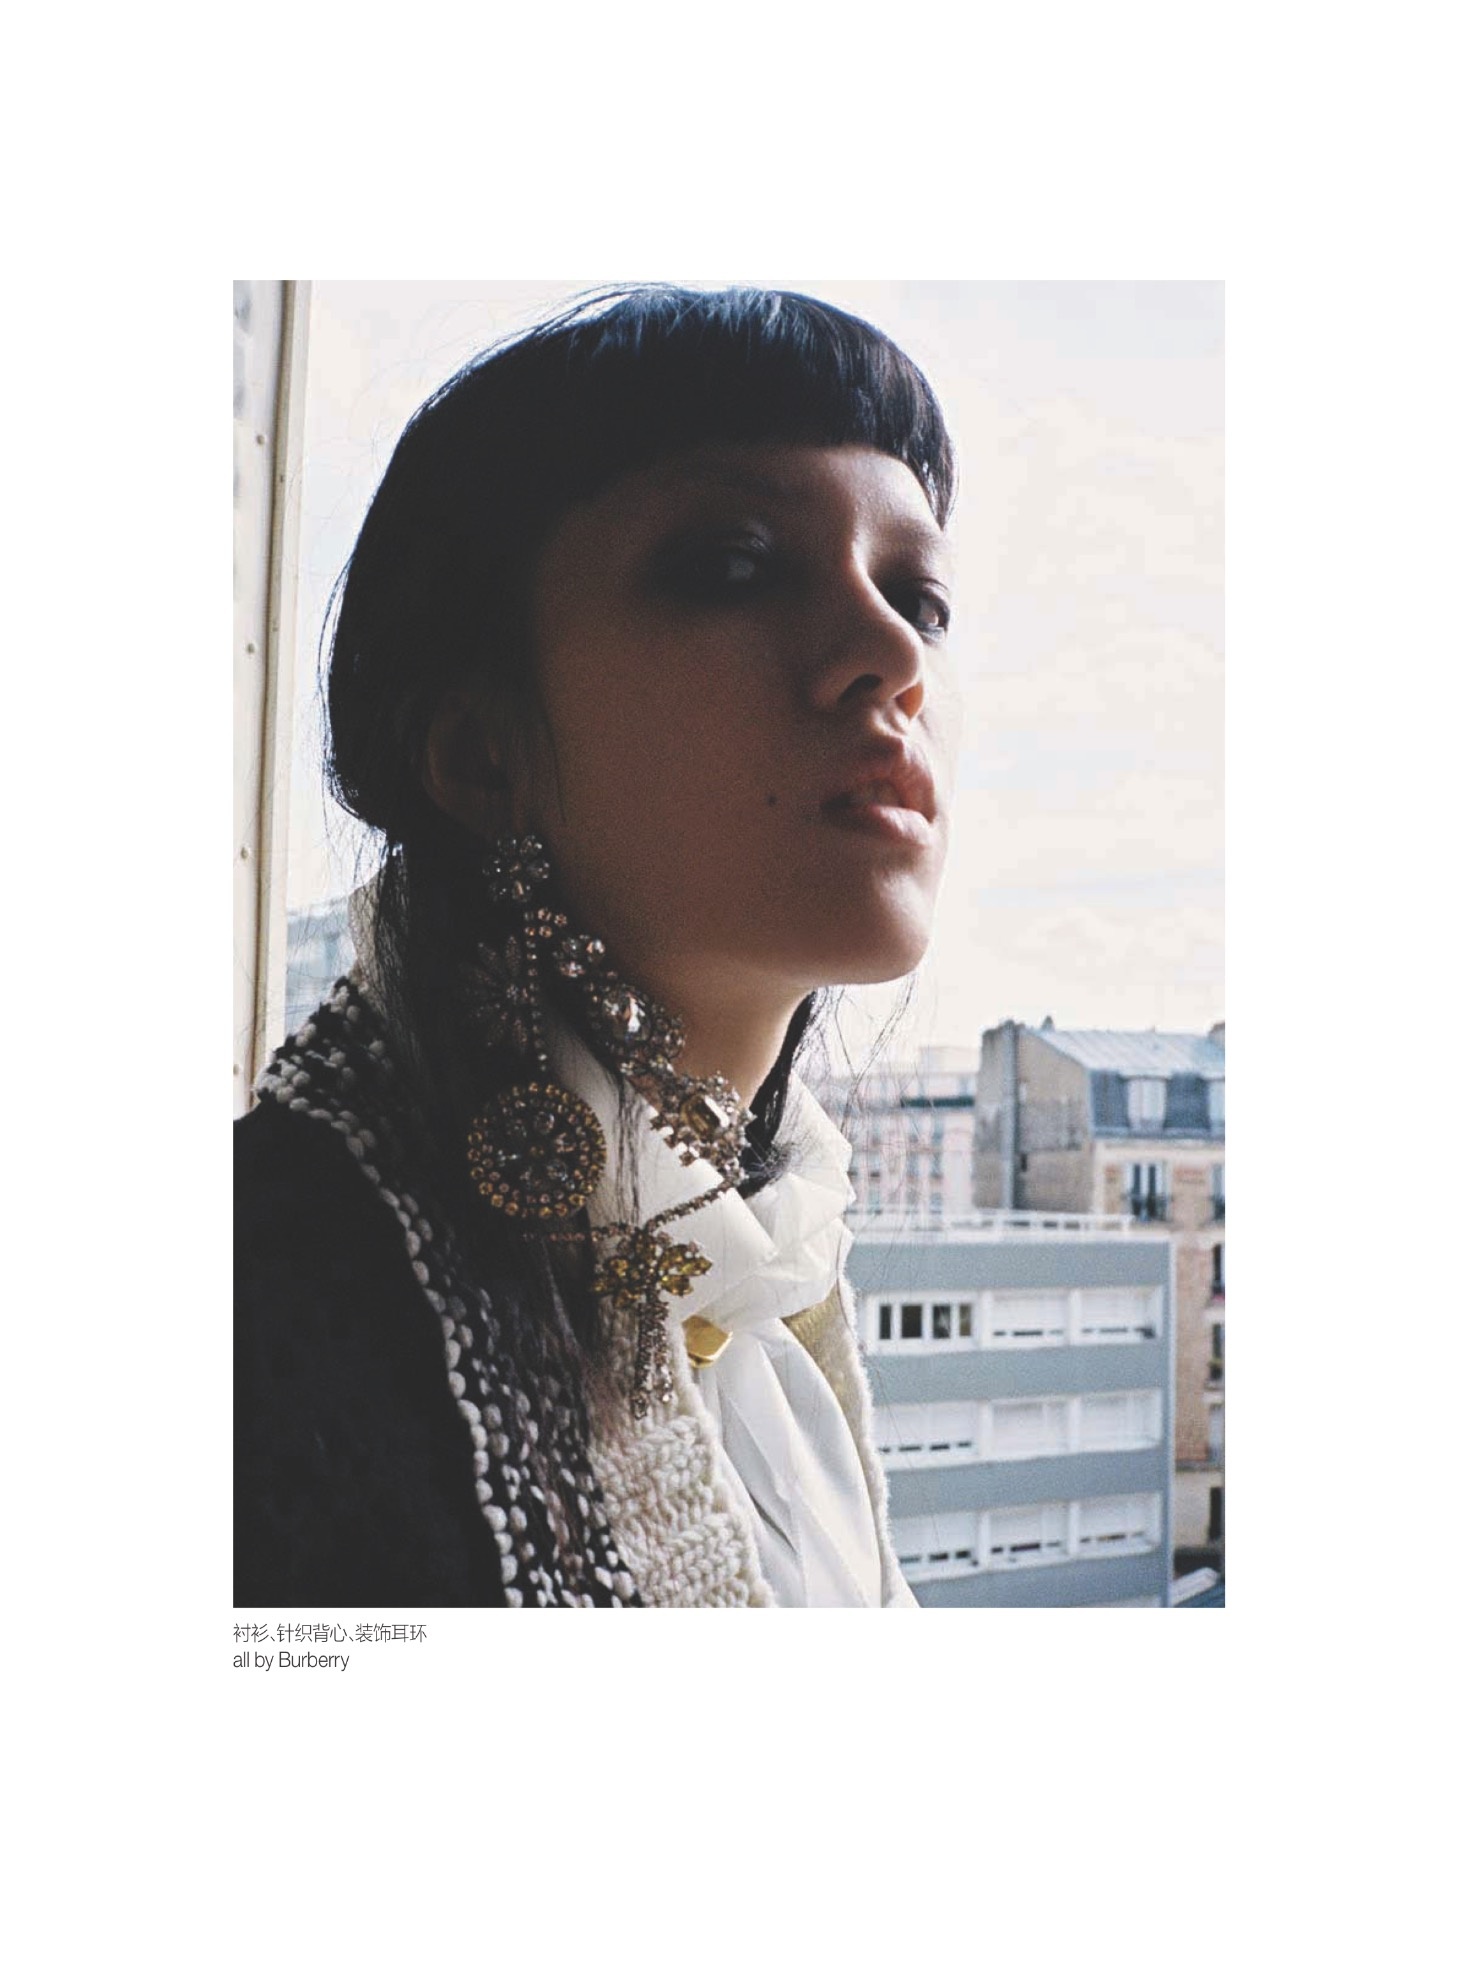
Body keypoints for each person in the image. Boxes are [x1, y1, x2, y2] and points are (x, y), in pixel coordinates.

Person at [235, 285, 961, 1607]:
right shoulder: (261, 1320)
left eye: (920, 595)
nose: (890, 650)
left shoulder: (778, 1294)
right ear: (479, 753)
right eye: (734, 566)